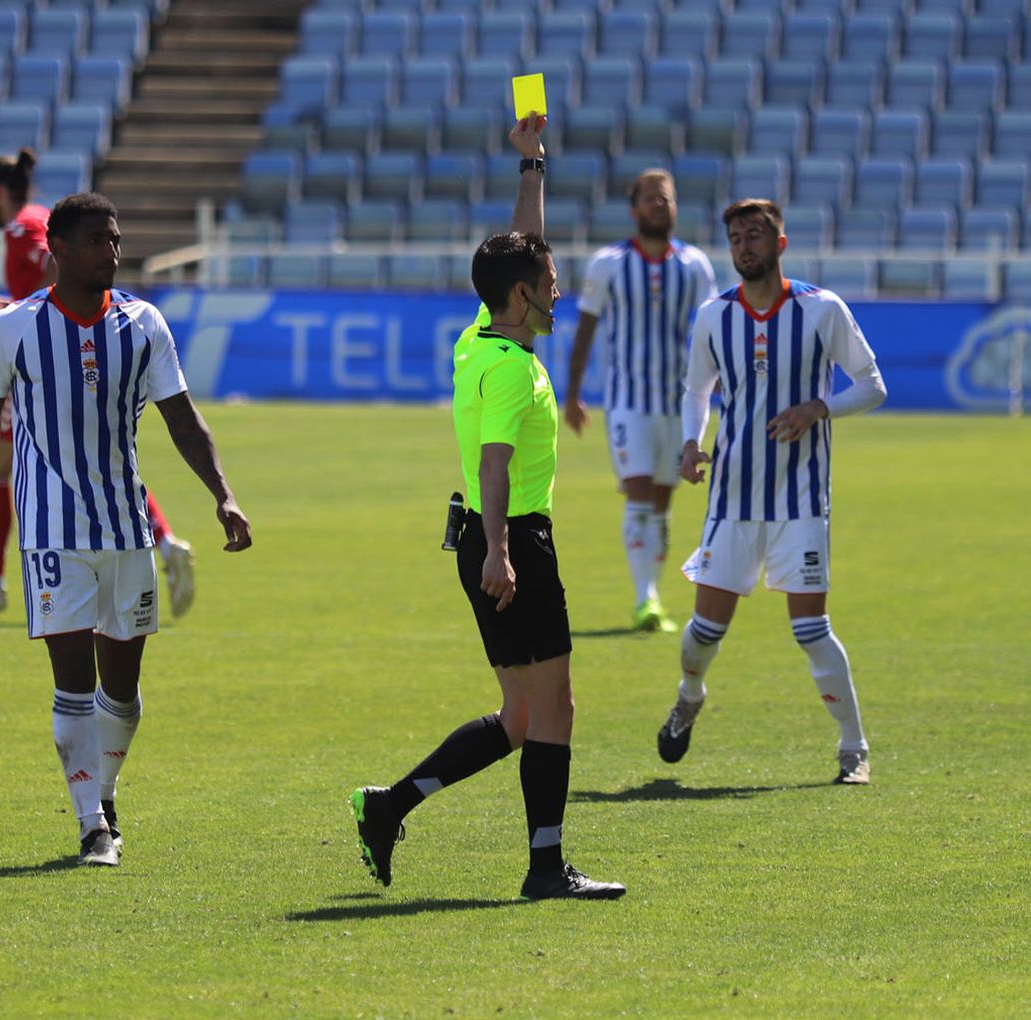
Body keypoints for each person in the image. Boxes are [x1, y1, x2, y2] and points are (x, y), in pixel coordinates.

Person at [348, 116, 625, 901]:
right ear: (523, 295)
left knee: (518, 715)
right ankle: (545, 869)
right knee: (554, 706)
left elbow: (518, 246)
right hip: (512, 540)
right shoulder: (506, 370)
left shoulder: (484, 335)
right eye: (551, 278)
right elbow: (494, 465)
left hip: (482, 536)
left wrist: (531, 163)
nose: (559, 287)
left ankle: (389, 805)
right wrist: (503, 552)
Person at [0, 193, 252, 866]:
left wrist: (223, 496)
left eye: (115, 239)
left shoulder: (144, 324)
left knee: (123, 690)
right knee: (73, 685)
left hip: (126, 529)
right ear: (56, 249)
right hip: (51, 533)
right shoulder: (13, 329)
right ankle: (91, 825)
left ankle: (106, 794)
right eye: (95, 241)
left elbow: (182, 418)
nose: (110, 252)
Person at [658, 198, 887, 785]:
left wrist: (819, 407)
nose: (744, 246)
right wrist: (691, 443)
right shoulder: (714, 316)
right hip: (732, 498)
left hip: (801, 500)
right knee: (704, 633)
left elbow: (872, 386)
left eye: (755, 235)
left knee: (811, 630)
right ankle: (689, 696)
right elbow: (696, 391)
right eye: (735, 236)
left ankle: (853, 749)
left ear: (780, 243)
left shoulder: (820, 309)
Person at [0, 150, 197, 619]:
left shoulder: (23, 227)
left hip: (43, 357)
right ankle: (161, 543)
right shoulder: (37, 219)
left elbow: (51, 269)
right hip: (57, 352)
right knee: (95, 458)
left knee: (7, 468)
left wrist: (30, 310)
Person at [564, 169, 717, 633]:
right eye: (650, 198)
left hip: (679, 403)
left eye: (666, 198)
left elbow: (713, 333)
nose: (659, 205)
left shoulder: (695, 265)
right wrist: (572, 394)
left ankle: (652, 593)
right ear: (633, 209)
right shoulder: (608, 263)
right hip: (628, 401)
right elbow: (586, 328)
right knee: (638, 492)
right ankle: (644, 597)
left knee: (663, 503)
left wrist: (723, 389)